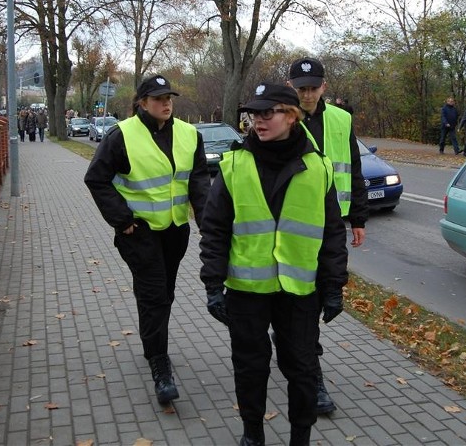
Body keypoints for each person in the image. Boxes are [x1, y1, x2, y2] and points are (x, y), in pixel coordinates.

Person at [199, 82, 348, 446]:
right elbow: (214, 229)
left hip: (300, 291)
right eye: (253, 114)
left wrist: (333, 285)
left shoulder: (319, 168)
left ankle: (301, 437)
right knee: (250, 368)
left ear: (291, 115)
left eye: (267, 113)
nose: (257, 121)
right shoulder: (234, 164)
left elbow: (331, 233)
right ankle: (253, 433)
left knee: (301, 368)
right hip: (247, 291)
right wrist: (213, 284)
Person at [84, 74, 210, 405]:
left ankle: (152, 343)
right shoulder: (121, 136)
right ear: (142, 102)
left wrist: (208, 223)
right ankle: (160, 365)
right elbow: (96, 178)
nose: (166, 103)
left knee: (162, 292)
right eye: (157, 98)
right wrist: (122, 220)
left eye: (169, 97)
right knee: (155, 293)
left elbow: (198, 181)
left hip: (175, 230)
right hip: (138, 232)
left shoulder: (189, 134)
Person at [286, 56, 368, 415]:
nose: (307, 94)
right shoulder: (281, 116)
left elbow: (355, 165)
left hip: (333, 223)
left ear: (324, 87)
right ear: (292, 88)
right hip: (296, 221)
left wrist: (359, 218)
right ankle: (313, 375)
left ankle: (298, 345)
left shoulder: (341, 119)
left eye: (312, 87)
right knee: (303, 297)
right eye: (301, 88)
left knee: (322, 292)